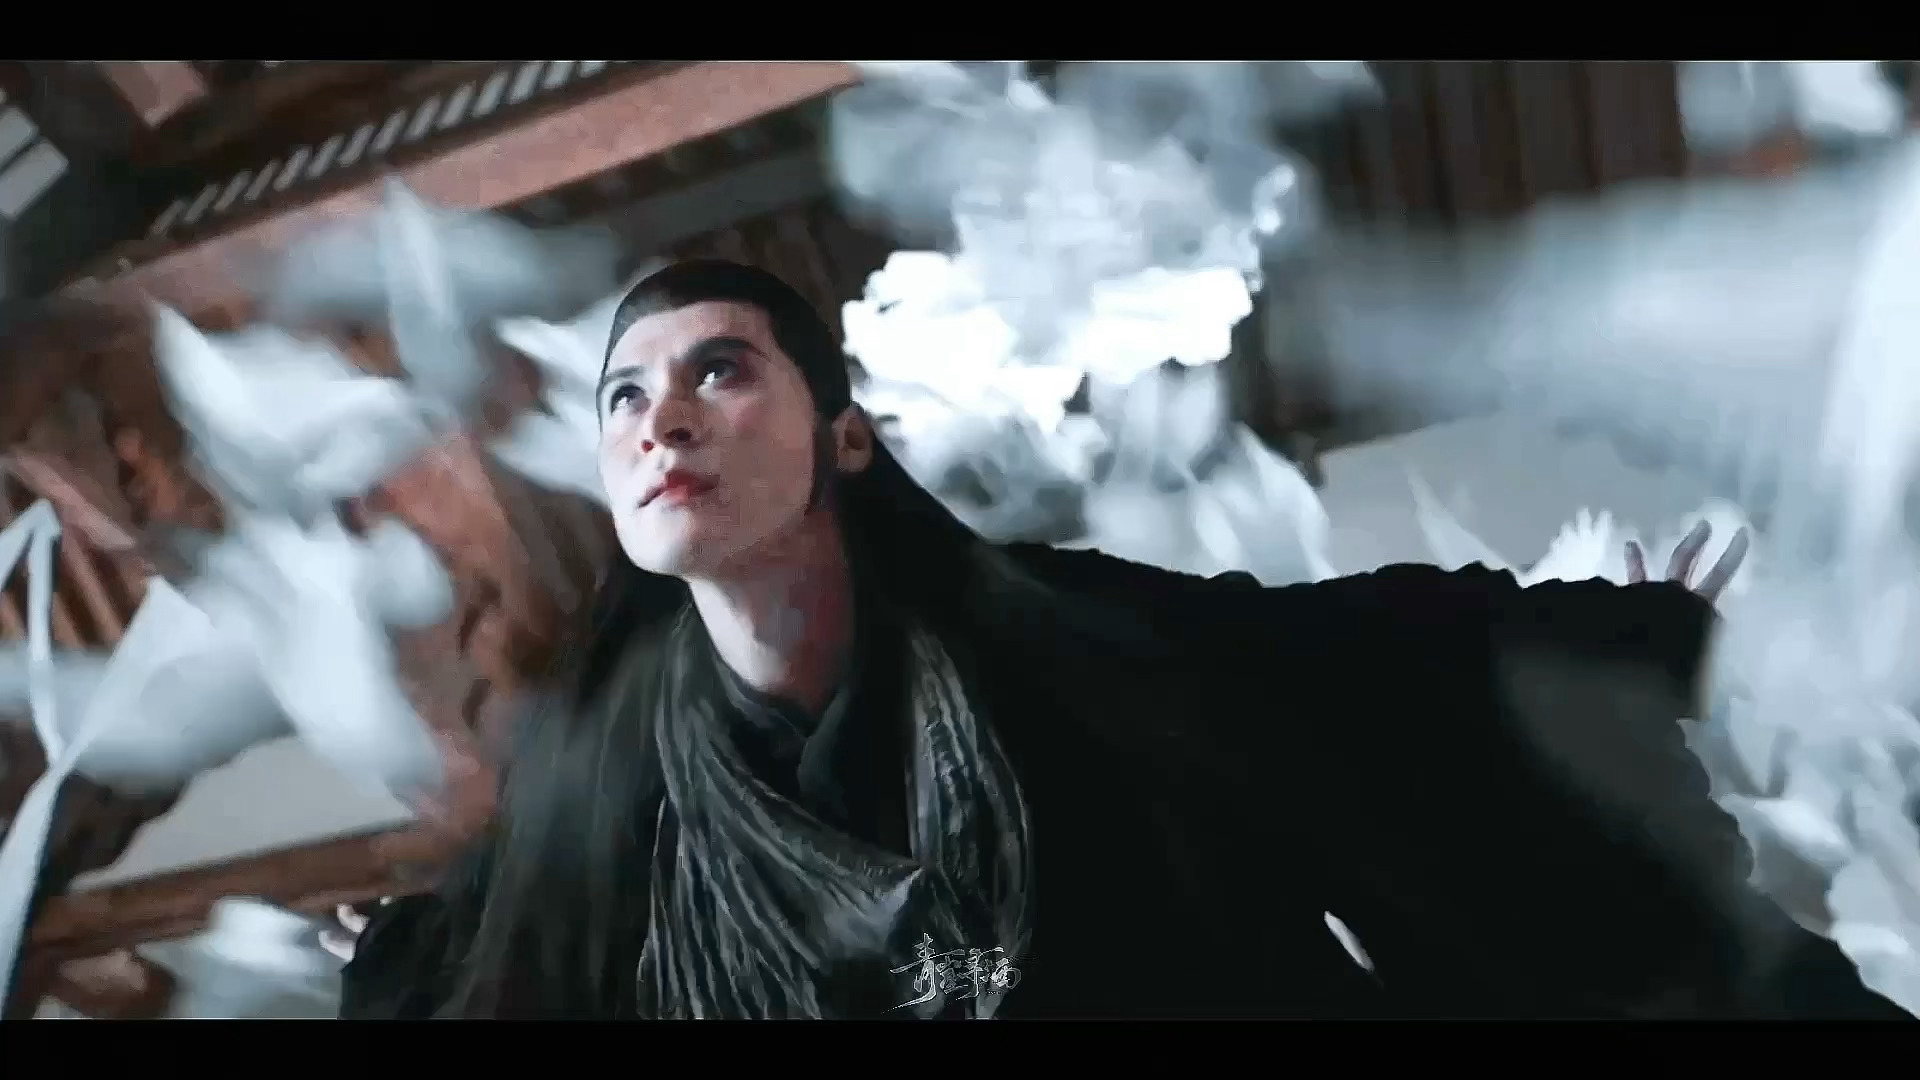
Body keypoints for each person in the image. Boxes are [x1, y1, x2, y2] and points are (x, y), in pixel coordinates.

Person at [340, 259, 1906, 1020]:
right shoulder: (621, 793)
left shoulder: (1044, 637)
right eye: (624, 395)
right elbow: (518, 947)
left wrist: (1623, 631)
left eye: (720, 371)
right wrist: (407, 967)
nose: (661, 417)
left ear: (847, 438)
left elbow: (1337, 657)